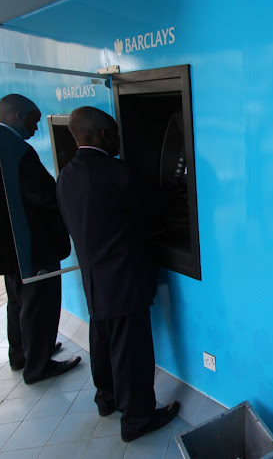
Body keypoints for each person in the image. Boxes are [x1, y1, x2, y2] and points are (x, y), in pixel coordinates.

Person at [56, 106, 179, 442]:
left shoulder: (66, 174)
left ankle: (106, 398)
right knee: (132, 350)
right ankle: (137, 418)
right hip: (124, 279)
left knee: (102, 340)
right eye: (115, 134)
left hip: (94, 279)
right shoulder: (118, 172)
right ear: (103, 135)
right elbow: (152, 215)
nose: (119, 140)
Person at [0, 94, 81, 384]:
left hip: (4, 246)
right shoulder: (16, 149)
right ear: (17, 116)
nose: (36, 128)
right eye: (34, 120)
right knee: (40, 304)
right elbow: (44, 196)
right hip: (33, 246)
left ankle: (22, 354)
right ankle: (39, 366)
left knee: (17, 300)